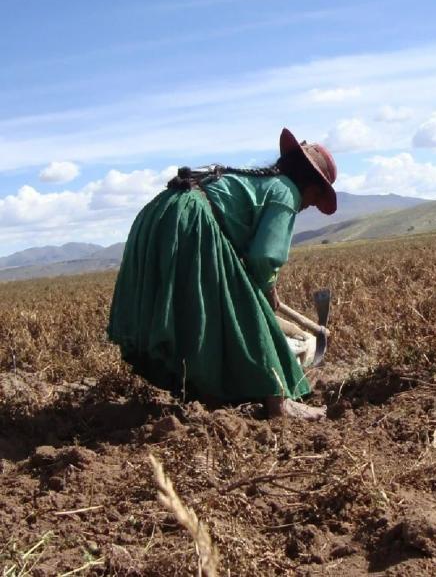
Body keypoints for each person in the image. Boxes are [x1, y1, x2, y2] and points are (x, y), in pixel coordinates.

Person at [107, 128, 336, 420]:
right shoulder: (286, 191)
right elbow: (265, 256)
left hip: (160, 216)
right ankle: (278, 402)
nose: (308, 206)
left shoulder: (257, 181)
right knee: (245, 309)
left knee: (199, 311)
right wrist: (267, 292)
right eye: (315, 199)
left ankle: (212, 395)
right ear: (310, 184)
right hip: (192, 220)